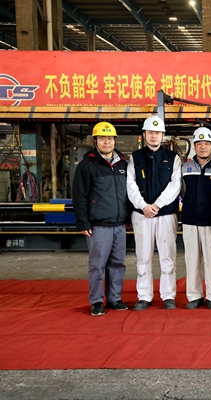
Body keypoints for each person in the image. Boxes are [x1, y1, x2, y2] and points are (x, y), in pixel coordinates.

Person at [72, 122, 130, 316]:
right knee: (97, 265)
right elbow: (79, 196)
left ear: (115, 140)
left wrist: (128, 217)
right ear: (95, 140)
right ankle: (96, 301)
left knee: (118, 264)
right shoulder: (87, 165)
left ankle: (114, 298)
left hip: (120, 224)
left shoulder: (123, 164)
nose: (107, 142)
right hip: (98, 225)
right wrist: (83, 222)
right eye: (103, 138)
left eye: (110, 138)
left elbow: (129, 194)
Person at [126, 115, 182, 311]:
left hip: (166, 214)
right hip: (142, 215)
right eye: (150, 132)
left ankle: (168, 296)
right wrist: (143, 206)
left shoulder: (173, 158)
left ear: (162, 135)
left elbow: (175, 185)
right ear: (144, 134)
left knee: (168, 256)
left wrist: (157, 205)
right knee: (143, 256)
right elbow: (130, 185)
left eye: (157, 133)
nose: (154, 136)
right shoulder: (135, 157)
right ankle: (144, 296)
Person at [181, 127, 211, 310]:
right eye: (199, 144)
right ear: (194, 146)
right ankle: (194, 296)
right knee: (192, 260)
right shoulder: (185, 167)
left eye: (206, 143)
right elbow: (181, 191)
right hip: (190, 220)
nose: (203, 147)